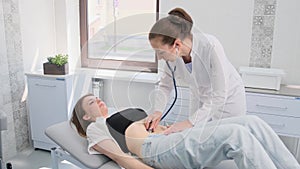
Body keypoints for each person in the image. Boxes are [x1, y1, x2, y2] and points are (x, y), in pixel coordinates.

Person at [70, 93, 300, 169]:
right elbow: (121, 158)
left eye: (97, 97)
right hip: (154, 149)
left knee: (251, 122)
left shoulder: (117, 114)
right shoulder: (96, 129)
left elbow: (157, 127)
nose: (97, 100)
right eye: (91, 102)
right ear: (87, 117)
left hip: (169, 137)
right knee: (236, 137)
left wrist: (164, 127)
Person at [145, 7, 247, 134]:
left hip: (228, 101)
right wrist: (157, 111)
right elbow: (165, 85)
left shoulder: (210, 46)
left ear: (177, 44)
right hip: (199, 98)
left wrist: (187, 123)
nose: (159, 57)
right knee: (196, 138)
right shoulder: (173, 57)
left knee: (227, 139)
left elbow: (219, 95)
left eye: (160, 52)